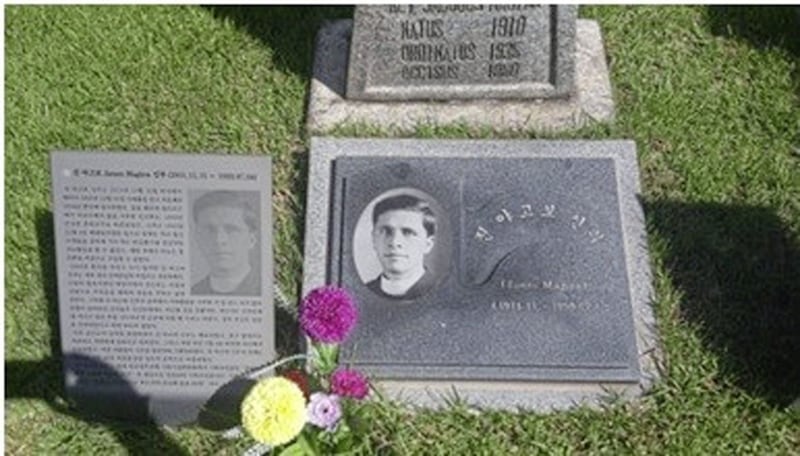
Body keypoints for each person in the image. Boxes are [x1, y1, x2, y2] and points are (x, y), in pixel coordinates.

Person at [366, 194, 437, 299]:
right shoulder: (359, 293)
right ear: (374, 239)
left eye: (408, 232)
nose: (394, 242)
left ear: (428, 244)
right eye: (386, 231)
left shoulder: (442, 292)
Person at [191, 191, 260, 296]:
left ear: (251, 239)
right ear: (198, 238)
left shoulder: (268, 290)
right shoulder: (194, 292)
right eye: (210, 230)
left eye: (231, 230)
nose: (219, 240)